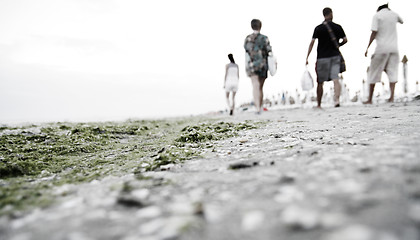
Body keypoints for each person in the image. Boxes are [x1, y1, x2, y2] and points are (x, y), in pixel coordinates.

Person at [306, 7, 347, 108]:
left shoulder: (319, 28)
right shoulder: (338, 27)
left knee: (320, 81)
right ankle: (337, 100)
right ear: (331, 14)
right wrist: (338, 45)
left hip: (322, 57)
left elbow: (312, 43)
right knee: (335, 78)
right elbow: (345, 40)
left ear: (323, 14)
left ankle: (319, 104)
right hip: (335, 56)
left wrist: (307, 57)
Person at [364, 3, 403, 104]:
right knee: (393, 72)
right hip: (394, 48)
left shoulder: (377, 16)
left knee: (373, 72)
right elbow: (402, 21)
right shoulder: (394, 14)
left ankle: (370, 99)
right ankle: (391, 97)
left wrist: (367, 47)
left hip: (381, 48)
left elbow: (374, 32)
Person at [244, 19, 273, 114]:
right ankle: (259, 106)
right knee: (260, 87)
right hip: (263, 64)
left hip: (252, 65)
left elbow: (247, 52)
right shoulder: (264, 38)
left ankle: (257, 107)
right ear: (260, 26)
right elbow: (269, 51)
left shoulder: (248, 38)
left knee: (255, 85)